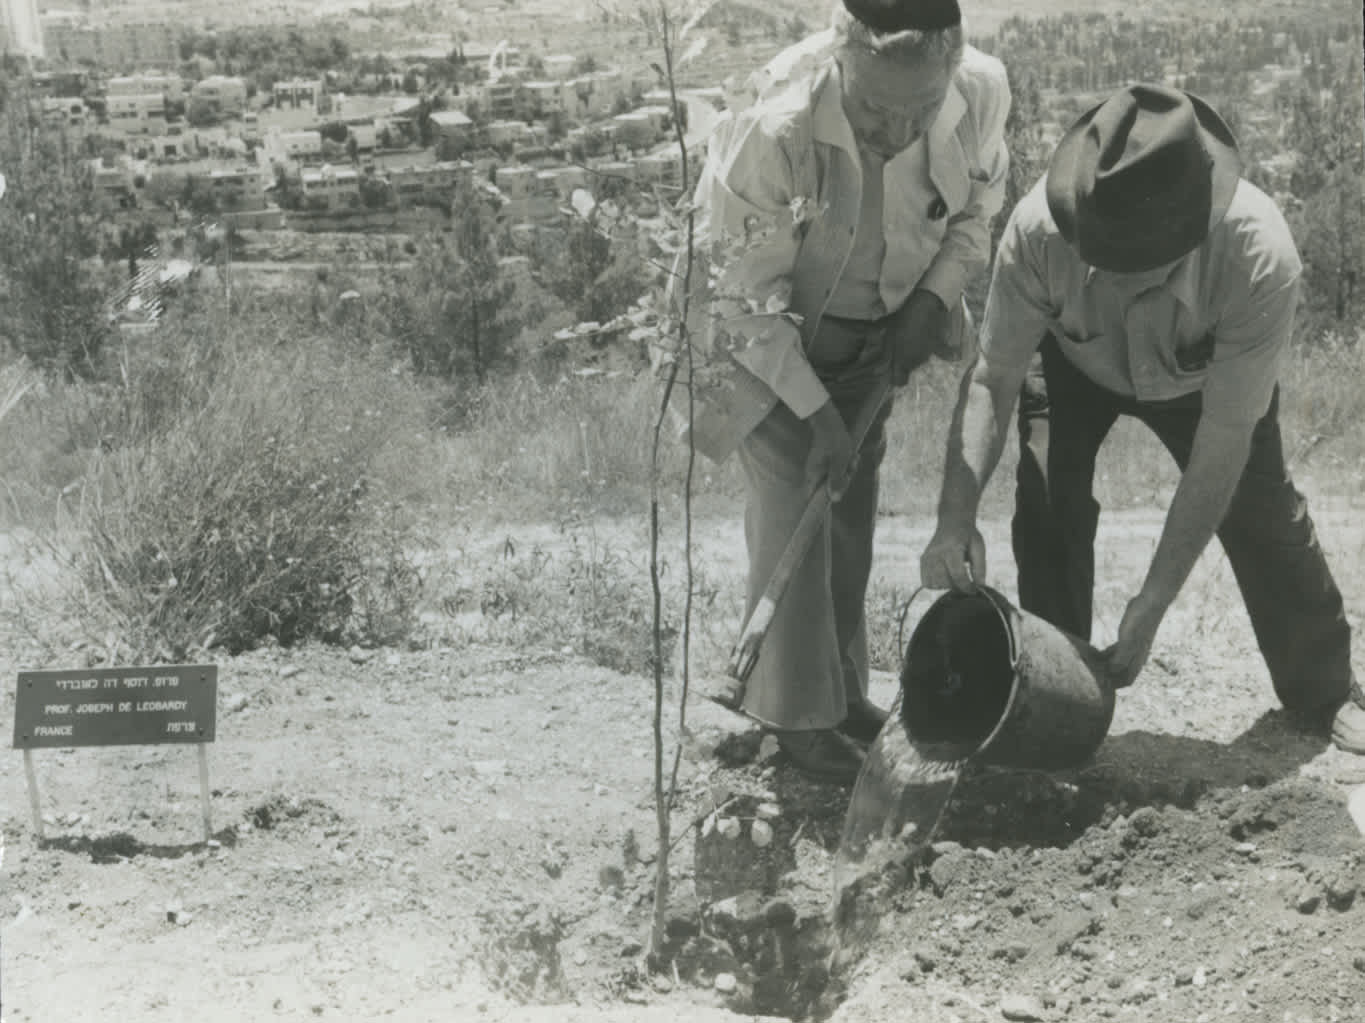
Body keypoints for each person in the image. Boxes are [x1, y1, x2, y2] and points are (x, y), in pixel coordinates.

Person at [920, 83, 1365, 755]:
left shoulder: (1258, 257)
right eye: (1095, 244)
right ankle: (1049, 692)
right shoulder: (1038, 230)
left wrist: (1152, 600)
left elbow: (1223, 443)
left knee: (1261, 510)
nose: (1102, 265)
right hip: (1072, 362)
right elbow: (993, 375)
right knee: (1044, 500)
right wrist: (953, 519)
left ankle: (1324, 688)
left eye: (1130, 258)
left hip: (1198, 385)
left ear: (1191, 232)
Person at [679, 0, 1010, 783]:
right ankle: (795, 721)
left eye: (919, 110)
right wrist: (820, 416)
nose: (895, 133)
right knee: (798, 490)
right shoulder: (776, 127)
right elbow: (744, 303)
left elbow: (975, 213)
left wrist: (929, 304)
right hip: (763, 339)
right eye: (870, 110)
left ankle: (839, 694)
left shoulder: (981, 92)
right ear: (839, 62)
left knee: (848, 516)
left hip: (877, 329)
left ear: (951, 72)